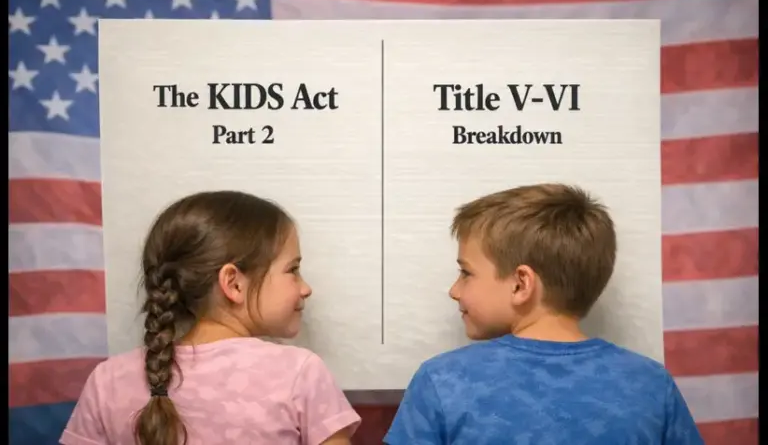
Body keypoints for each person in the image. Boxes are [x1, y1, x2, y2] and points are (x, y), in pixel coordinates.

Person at [384, 183, 704, 444]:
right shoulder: (649, 383)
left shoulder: (442, 380)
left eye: (466, 273)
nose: (454, 290)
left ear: (521, 284)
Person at [60, 191, 360, 445]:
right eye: (292, 270)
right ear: (234, 283)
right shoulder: (300, 373)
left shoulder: (108, 380)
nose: (305, 288)